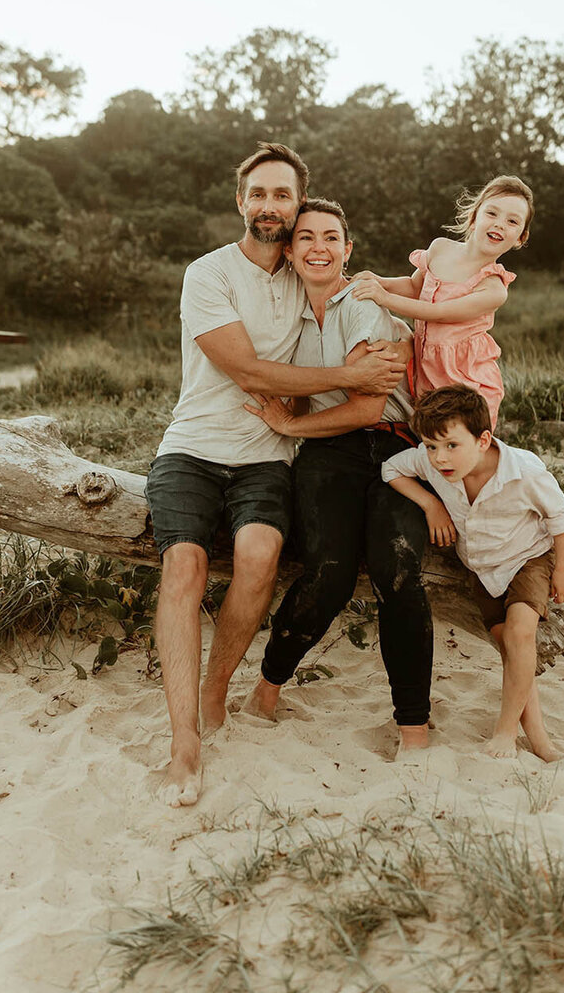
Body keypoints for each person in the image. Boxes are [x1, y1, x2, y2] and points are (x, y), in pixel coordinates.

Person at [145, 144, 406, 807]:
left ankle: (216, 686)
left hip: (265, 456)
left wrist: (387, 295)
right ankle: (183, 746)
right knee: (185, 568)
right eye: (258, 194)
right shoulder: (206, 275)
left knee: (260, 555)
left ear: (296, 206)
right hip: (192, 449)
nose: (269, 206)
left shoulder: (305, 274)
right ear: (241, 202)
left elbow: (369, 294)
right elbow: (251, 372)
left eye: (282, 196)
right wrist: (348, 377)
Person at [243, 199, 434, 753]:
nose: (319, 248)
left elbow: (370, 408)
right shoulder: (291, 322)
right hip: (330, 453)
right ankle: (267, 688)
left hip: (396, 449)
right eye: (305, 238)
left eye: (331, 237)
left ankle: (414, 729)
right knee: (327, 570)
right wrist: (289, 417)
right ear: (290, 250)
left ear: (348, 250)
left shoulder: (362, 305)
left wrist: (288, 422)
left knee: (397, 569)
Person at [381, 384, 564, 762]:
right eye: (432, 446)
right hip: (483, 569)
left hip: (528, 558)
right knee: (510, 649)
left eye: (452, 445)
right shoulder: (429, 461)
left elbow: (561, 518)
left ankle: (505, 733)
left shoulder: (525, 470)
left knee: (521, 634)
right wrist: (430, 503)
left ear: (483, 439)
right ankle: (539, 738)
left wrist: (563, 569)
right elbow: (391, 469)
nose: (440, 458)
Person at [351, 176, 534, 429]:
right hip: (428, 366)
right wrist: (381, 281)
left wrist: (384, 298)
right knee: (428, 437)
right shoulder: (440, 249)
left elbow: (438, 312)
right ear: (474, 218)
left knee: (459, 443)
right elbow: (415, 287)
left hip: (465, 378)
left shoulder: (492, 287)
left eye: (512, 221)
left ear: (519, 238)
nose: (499, 224)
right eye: (492, 213)